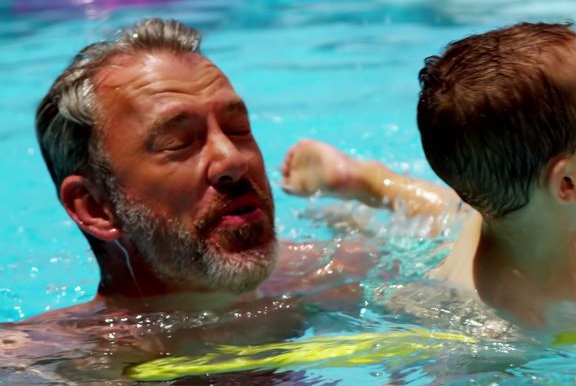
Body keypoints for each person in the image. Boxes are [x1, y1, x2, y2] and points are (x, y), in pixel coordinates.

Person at [9, 18, 371, 362]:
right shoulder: (50, 365)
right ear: (96, 208)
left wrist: (373, 184)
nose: (232, 160)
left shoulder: (327, 275)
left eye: (238, 128)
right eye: (179, 142)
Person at [282, 22, 576, 329]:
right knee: (443, 232)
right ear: (567, 184)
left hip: (515, 220)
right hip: (440, 281)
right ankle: (365, 182)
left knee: (458, 213)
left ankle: (367, 180)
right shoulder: (503, 317)